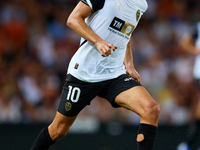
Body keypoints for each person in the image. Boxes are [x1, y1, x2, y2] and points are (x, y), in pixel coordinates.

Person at [30, 0, 160, 150]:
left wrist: (129, 65)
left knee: (151, 109)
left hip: (114, 74)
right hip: (85, 73)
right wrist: (98, 41)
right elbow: (73, 19)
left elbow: (126, 30)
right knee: (58, 130)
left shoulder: (141, 4)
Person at [176, 21, 200, 150]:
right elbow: (184, 43)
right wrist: (197, 50)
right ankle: (189, 144)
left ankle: (189, 144)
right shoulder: (198, 26)